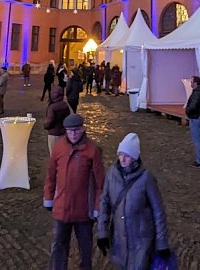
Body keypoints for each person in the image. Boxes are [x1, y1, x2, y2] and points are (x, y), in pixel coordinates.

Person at [96, 133, 170, 269]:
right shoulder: (112, 174)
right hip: (119, 239)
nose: (123, 159)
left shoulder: (147, 178)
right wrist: (102, 232)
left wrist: (161, 243)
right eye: (120, 154)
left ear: (134, 157)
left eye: (127, 156)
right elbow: (104, 202)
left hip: (141, 241)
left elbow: (158, 211)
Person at [44, 113, 105, 270]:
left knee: (85, 246)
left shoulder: (92, 150)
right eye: (70, 131)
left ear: (82, 129)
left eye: (76, 131)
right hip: (61, 208)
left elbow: (100, 183)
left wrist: (97, 207)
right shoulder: (59, 148)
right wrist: (48, 197)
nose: (73, 134)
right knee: (58, 245)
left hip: (83, 210)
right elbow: (51, 176)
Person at [44, 86, 71, 154]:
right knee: (62, 153)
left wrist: (45, 125)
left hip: (54, 134)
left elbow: (49, 121)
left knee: (54, 154)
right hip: (63, 133)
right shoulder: (65, 104)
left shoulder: (52, 107)